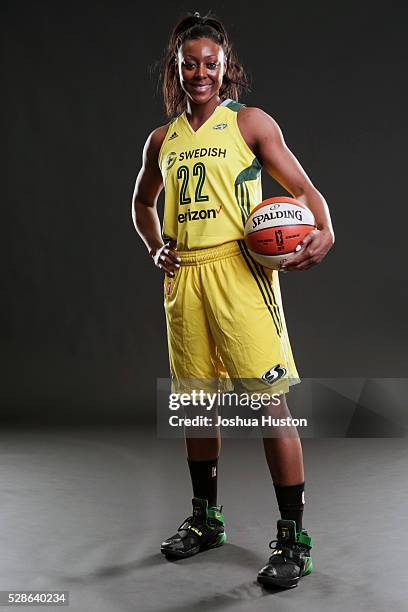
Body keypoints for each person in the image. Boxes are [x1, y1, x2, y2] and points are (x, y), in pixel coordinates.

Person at [132, 11, 334, 590]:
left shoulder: (248, 124)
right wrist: (155, 247)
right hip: (185, 280)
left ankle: (294, 538)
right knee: (197, 406)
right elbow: (143, 203)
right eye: (189, 63)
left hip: (239, 273)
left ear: (226, 70)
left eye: (210, 64)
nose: (200, 72)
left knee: (270, 407)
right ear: (176, 69)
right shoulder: (161, 139)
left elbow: (305, 189)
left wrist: (325, 228)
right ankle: (206, 519)